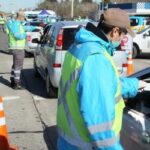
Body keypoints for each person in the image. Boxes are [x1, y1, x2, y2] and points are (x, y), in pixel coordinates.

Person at [57, 8, 147, 150]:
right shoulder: (96, 58)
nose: (123, 39)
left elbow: (105, 85)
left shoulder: (81, 47)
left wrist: (136, 84)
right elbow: (99, 121)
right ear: (115, 31)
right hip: (85, 145)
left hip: (70, 140)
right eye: (123, 35)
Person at [9, 10, 37, 89]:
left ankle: (13, 80)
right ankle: (16, 84)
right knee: (18, 67)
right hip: (18, 48)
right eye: (24, 17)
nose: (24, 19)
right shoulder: (16, 24)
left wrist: (35, 27)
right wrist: (25, 34)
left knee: (15, 65)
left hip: (17, 48)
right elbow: (17, 35)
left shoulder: (18, 24)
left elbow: (26, 27)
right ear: (21, 17)